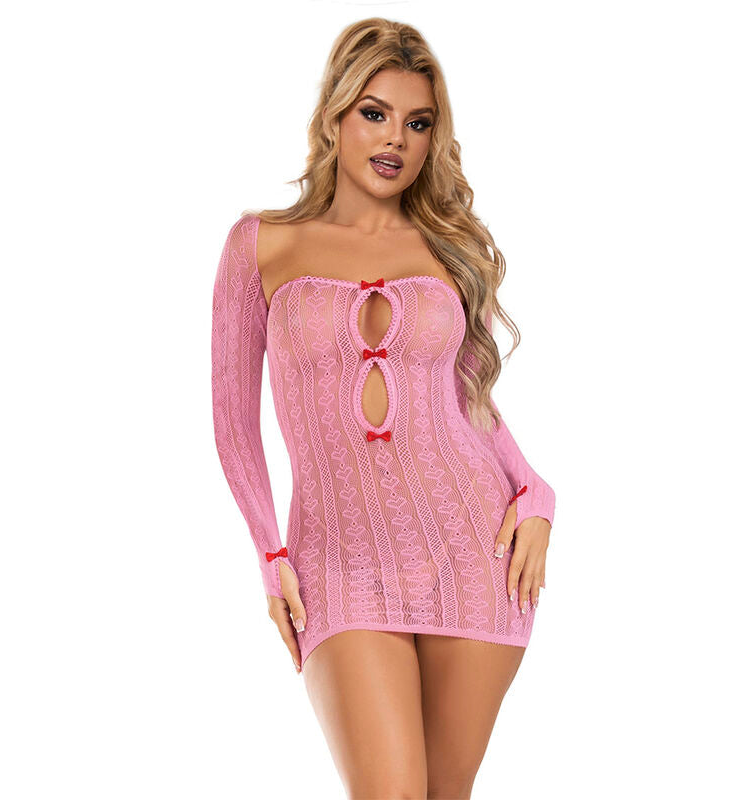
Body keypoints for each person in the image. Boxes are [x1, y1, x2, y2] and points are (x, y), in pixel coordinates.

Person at [211, 17, 556, 800]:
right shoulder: (260, 245)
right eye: (375, 113)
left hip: (472, 547)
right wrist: (270, 555)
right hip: (335, 559)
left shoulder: (447, 249)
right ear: (335, 115)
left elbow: (471, 401)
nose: (396, 138)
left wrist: (537, 492)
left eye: (418, 122)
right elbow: (232, 422)